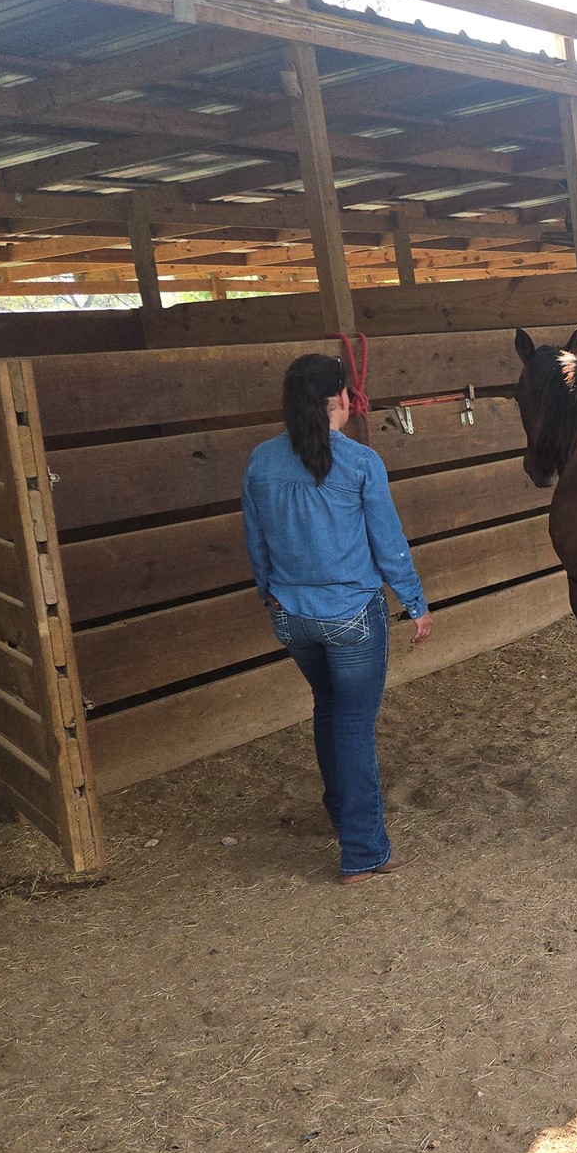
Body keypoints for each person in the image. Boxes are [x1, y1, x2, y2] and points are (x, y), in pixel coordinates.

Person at [242, 354, 431, 884]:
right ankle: (363, 851)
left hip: (292, 616)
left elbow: (256, 544)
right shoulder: (360, 463)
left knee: (328, 709)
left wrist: (272, 599)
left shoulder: (260, 463)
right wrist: (415, 601)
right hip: (350, 615)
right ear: (340, 400)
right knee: (352, 726)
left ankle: (340, 812)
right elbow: (388, 543)